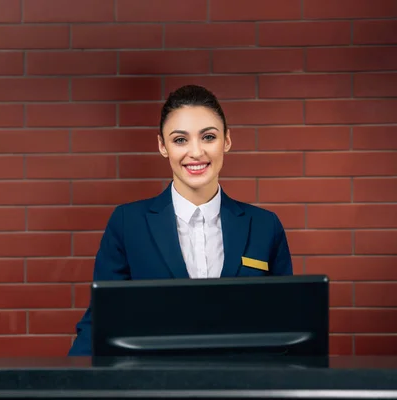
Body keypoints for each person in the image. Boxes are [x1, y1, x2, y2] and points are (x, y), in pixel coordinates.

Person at [68, 85, 293, 356]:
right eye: (180, 140)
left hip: (241, 388)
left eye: (208, 137)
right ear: (163, 146)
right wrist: (69, 386)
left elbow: (287, 324)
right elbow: (101, 321)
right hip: (156, 388)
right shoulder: (128, 223)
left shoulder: (265, 226)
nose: (196, 152)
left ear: (227, 141)